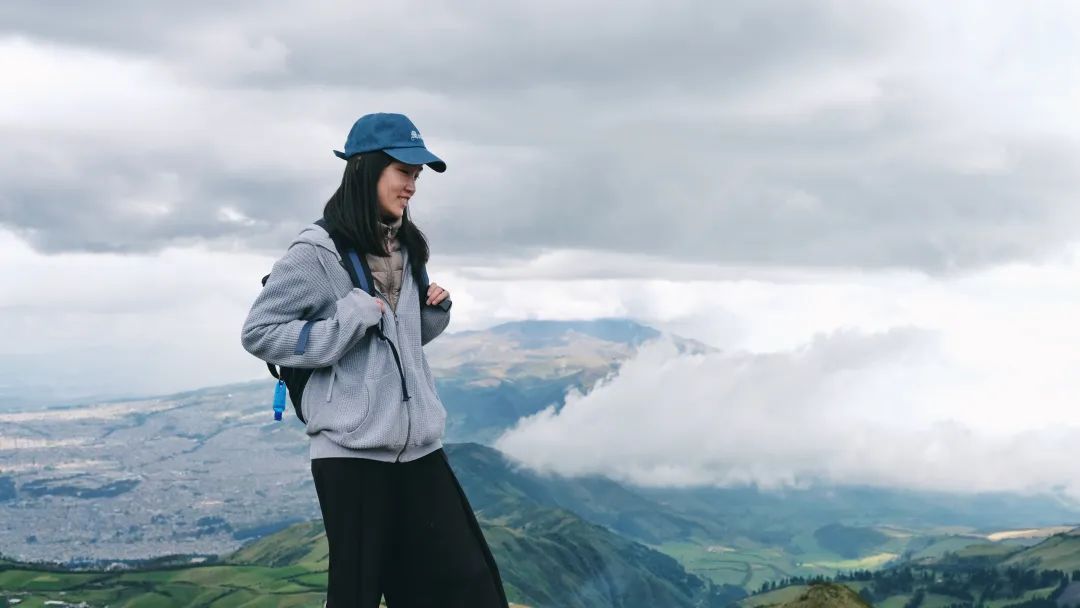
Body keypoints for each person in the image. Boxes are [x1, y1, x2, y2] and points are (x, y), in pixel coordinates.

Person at [241, 113, 509, 607]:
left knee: (469, 585)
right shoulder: (316, 252)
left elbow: (394, 345)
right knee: (358, 595)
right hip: (353, 454)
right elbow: (259, 333)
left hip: (419, 448)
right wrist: (345, 319)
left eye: (417, 175)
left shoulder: (406, 245)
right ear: (365, 170)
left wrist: (433, 313)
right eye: (403, 172)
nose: (412, 186)